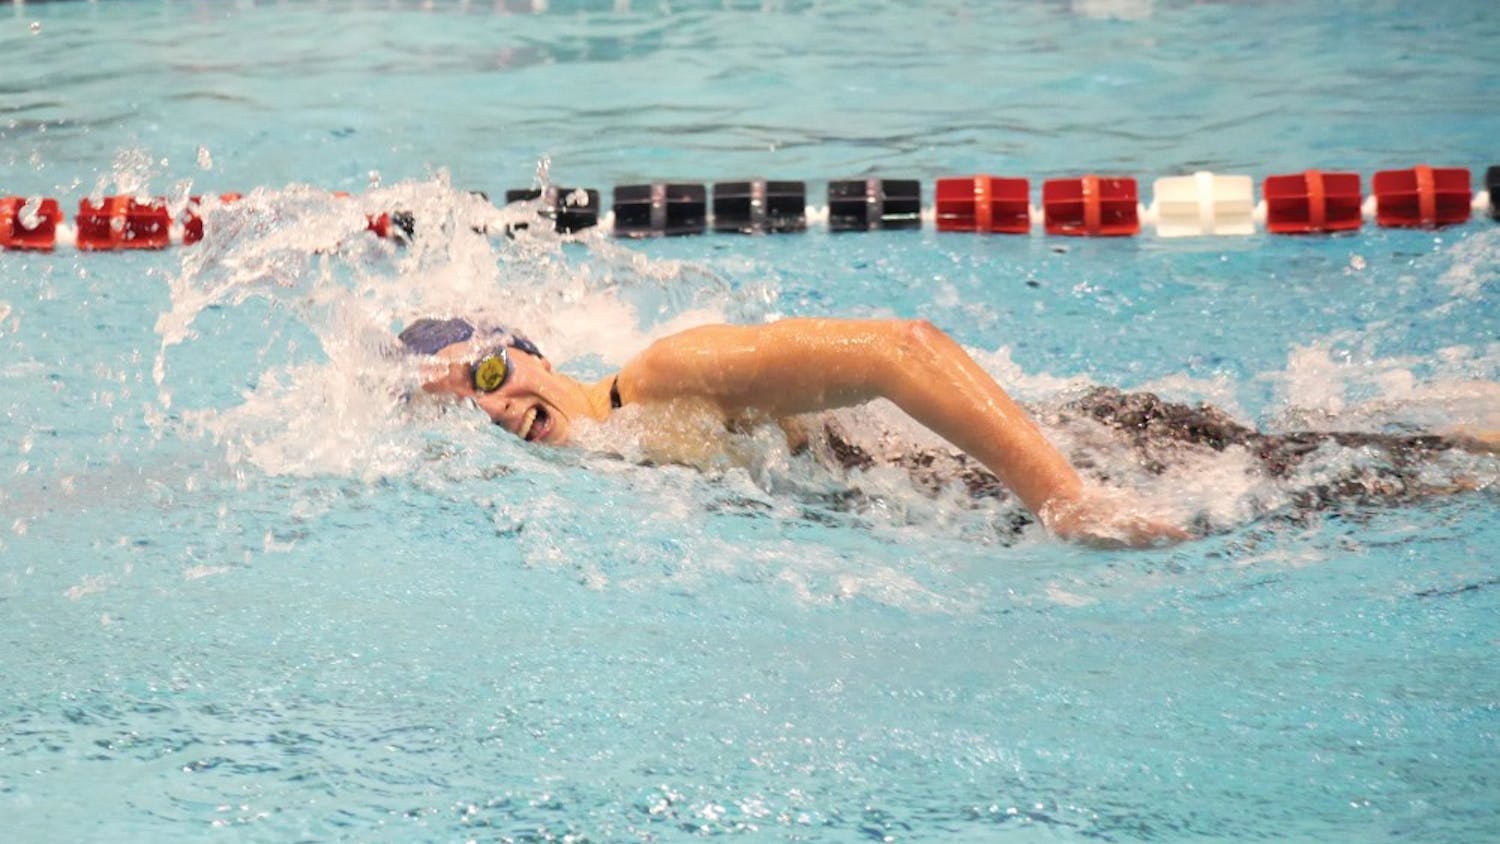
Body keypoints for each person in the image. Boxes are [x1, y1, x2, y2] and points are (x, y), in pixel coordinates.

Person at [398, 316, 1496, 547]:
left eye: (489, 370)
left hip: (1078, 462)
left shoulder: (660, 379)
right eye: (465, 403)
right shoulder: (628, 471)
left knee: (1416, 478)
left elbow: (899, 350)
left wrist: (1065, 497)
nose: (494, 404)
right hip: (991, 488)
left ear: (533, 351)